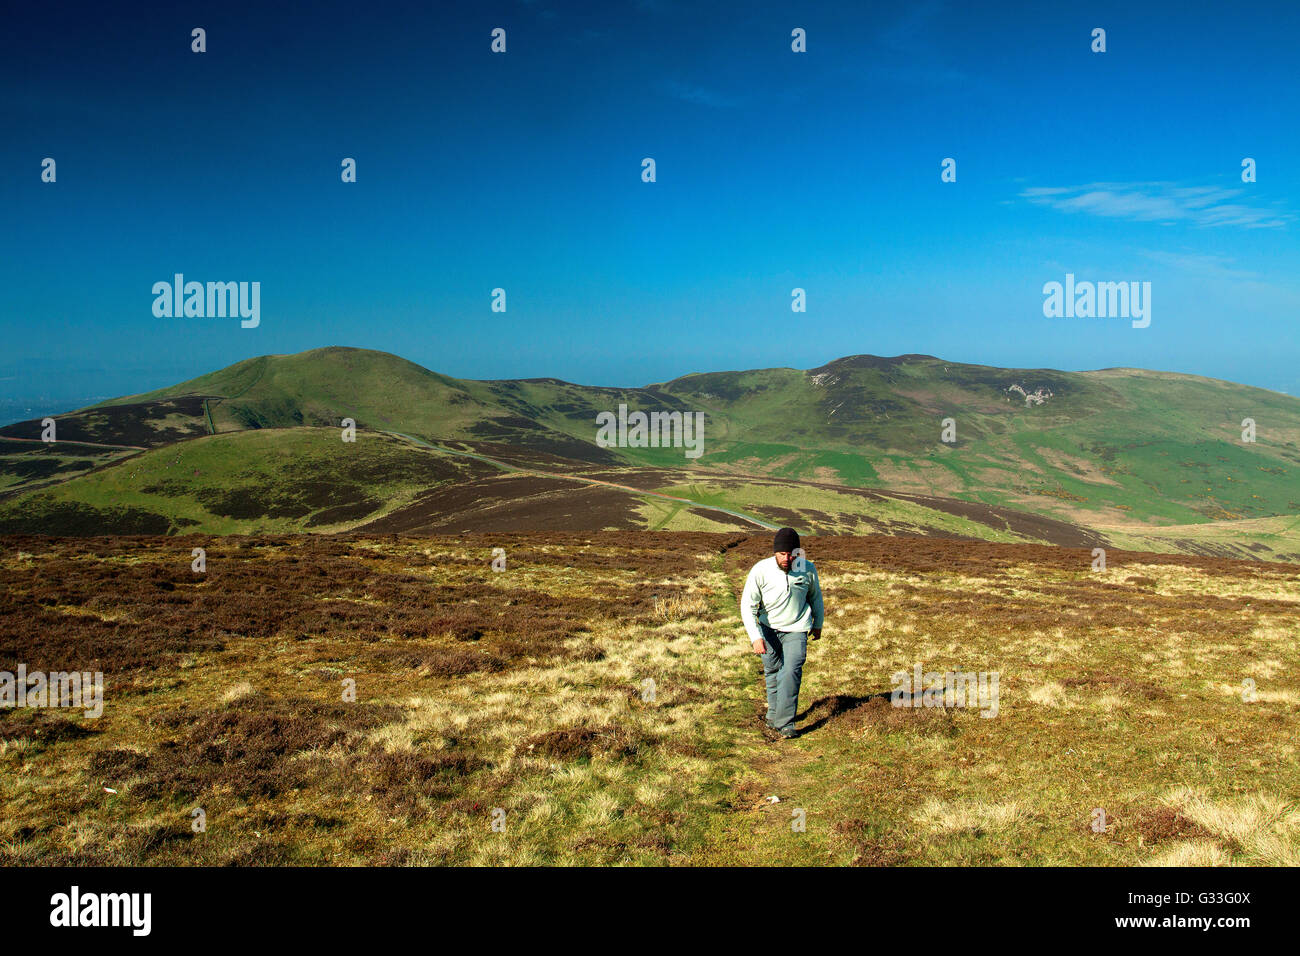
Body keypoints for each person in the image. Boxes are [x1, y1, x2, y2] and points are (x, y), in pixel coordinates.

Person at [740, 527, 824, 739]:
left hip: (797, 627)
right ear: (775, 552)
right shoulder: (760, 570)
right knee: (773, 670)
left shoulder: (808, 569)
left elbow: (815, 598)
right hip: (768, 629)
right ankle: (773, 715)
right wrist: (755, 637)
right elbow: (747, 606)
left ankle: (785, 723)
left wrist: (818, 623)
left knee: (791, 670)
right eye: (782, 554)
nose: (787, 558)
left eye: (791, 554)